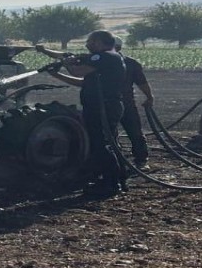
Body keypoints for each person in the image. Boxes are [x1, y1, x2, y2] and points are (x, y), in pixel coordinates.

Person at [36, 31, 128, 195]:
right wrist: (56, 74)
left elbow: (78, 72)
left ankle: (111, 184)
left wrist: (66, 64)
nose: (87, 44)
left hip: (103, 107)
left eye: (90, 41)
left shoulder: (105, 57)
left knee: (101, 144)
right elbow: (82, 82)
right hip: (102, 106)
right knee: (106, 143)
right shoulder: (107, 58)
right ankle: (115, 179)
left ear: (99, 42)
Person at [113, 37, 154, 169]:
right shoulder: (130, 63)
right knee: (112, 133)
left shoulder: (130, 63)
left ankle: (140, 159)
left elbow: (141, 82)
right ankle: (117, 160)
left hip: (124, 103)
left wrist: (149, 97)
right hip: (115, 103)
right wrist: (149, 97)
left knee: (134, 131)